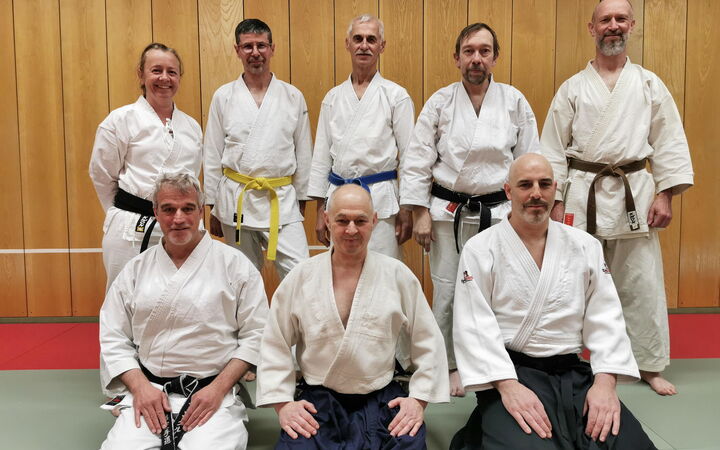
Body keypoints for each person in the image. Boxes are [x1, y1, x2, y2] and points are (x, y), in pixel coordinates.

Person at [540, 0, 694, 395]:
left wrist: (665, 195)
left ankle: (647, 364)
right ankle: (566, 361)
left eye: (620, 19)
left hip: (634, 196)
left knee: (640, 283)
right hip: (582, 195)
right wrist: (555, 200)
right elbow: (553, 148)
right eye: (605, 19)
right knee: (573, 282)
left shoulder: (648, 84)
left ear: (632, 25)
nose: (613, 25)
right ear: (592, 28)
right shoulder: (573, 88)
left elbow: (669, 141)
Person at [451, 154, 656, 449]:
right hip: (512, 373)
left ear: (555, 189)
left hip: (574, 374)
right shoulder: (481, 248)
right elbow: (474, 325)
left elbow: (606, 318)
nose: (536, 193)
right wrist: (508, 388)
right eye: (525, 185)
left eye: (544, 184)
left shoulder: (584, 245)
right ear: (509, 191)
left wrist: (605, 384)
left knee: (629, 444)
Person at [400, 23, 541, 396]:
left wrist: (528, 211)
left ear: (495, 57)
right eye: (468, 51)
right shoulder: (440, 102)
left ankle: (498, 363)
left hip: (500, 214)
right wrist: (419, 212)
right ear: (457, 58)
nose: (476, 58)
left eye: (484, 51)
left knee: (500, 290)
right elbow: (417, 160)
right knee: (448, 291)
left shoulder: (514, 101)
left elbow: (529, 160)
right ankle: (449, 364)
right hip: (448, 212)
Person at [256, 184, 449, 449]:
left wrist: (418, 400)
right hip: (318, 402)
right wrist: (283, 404)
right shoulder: (301, 277)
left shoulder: (397, 275)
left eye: (360, 221)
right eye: (342, 220)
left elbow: (428, 340)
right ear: (326, 220)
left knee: (409, 442)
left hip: (381, 398)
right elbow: (274, 342)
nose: (351, 230)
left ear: (374, 220)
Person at [98, 172, 268, 450]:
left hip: (212, 394)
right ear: (156, 212)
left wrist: (218, 389)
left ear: (201, 211)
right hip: (150, 392)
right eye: (168, 209)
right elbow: (113, 337)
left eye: (188, 208)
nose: (178, 218)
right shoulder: (135, 270)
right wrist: (140, 388)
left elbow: (257, 335)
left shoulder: (235, 266)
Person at [203, 18, 312, 279]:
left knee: (300, 273)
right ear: (237, 50)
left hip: (281, 198)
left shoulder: (292, 96)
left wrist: (301, 200)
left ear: (272, 48)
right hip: (236, 199)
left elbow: (304, 152)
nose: (255, 52)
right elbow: (212, 154)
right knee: (242, 277)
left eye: (261, 45)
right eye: (248, 46)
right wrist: (213, 205)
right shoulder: (223, 96)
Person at [90, 43, 202, 290]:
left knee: (184, 296)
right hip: (131, 227)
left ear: (179, 77)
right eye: (156, 70)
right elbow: (101, 174)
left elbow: (192, 181)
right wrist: (121, 212)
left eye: (172, 72)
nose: (164, 78)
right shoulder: (120, 120)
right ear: (141, 74)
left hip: (181, 226)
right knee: (124, 295)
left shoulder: (192, 127)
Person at [308, 14, 414, 259]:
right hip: (339, 198)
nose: (364, 45)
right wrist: (320, 211)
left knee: (384, 269)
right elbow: (321, 157)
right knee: (342, 269)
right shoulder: (333, 98)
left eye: (371, 39)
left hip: (381, 200)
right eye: (358, 39)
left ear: (381, 46)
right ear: (348, 44)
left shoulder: (396, 96)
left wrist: (406, 208)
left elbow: (410, 156)